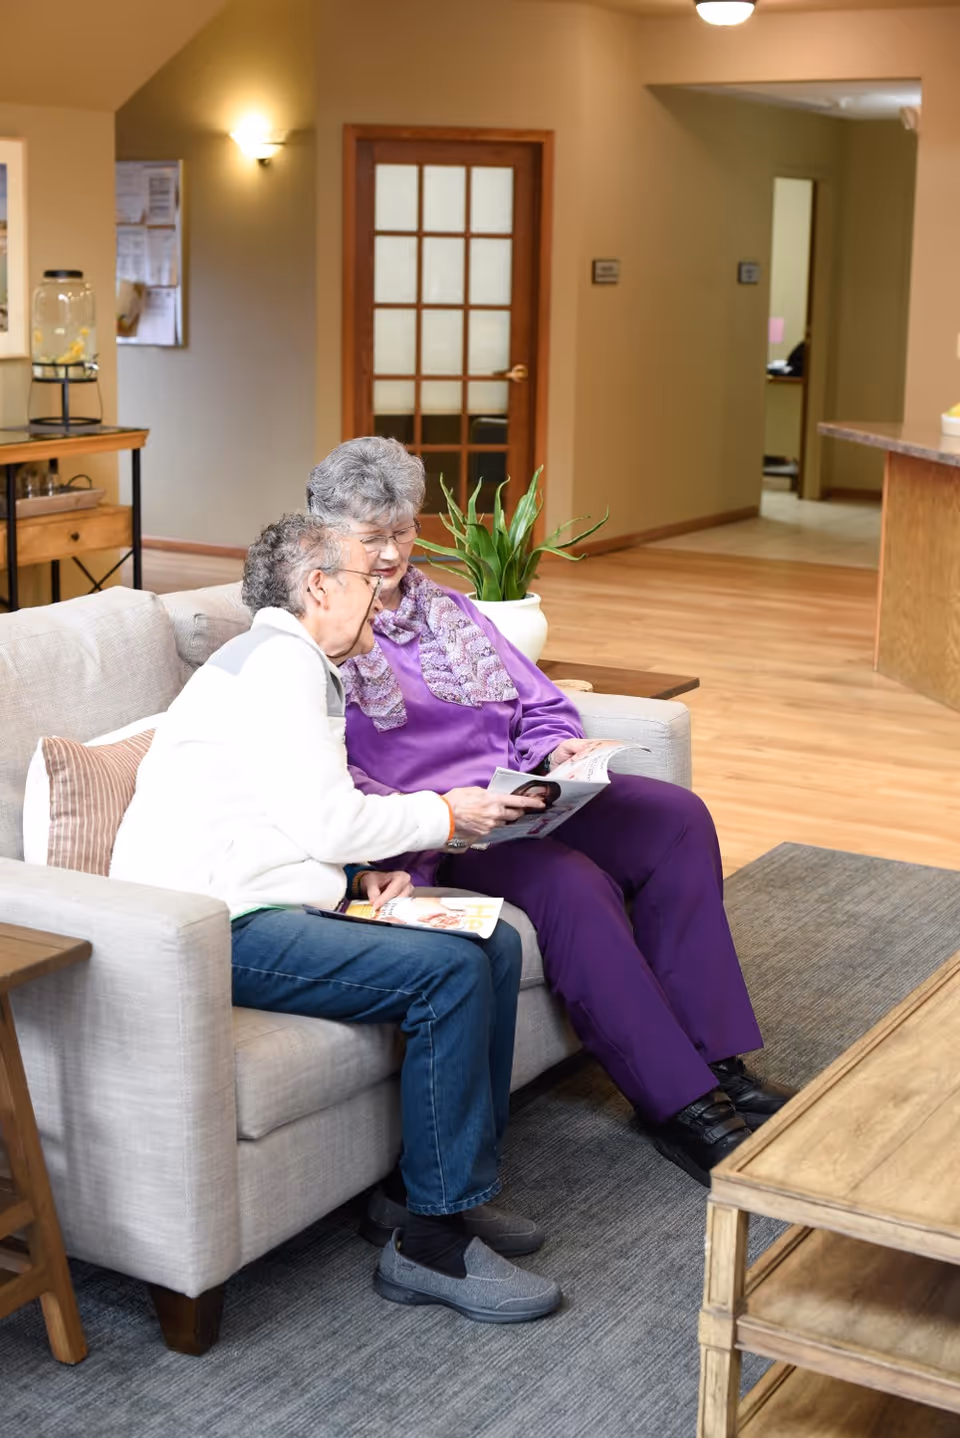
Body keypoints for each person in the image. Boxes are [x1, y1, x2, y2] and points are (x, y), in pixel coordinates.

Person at [110, 512, 562, 1324]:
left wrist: (363, 875)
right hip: (214, 925)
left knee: (487, 940)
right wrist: (443, 815)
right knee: (450, 974)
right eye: (366, 579)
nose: (382, 595)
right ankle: (428, 1247)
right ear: (319, 587)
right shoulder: (283, 667)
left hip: (263, 894)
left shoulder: (289, 661)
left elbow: (304, 817)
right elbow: (328, 823)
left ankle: (415, 1196)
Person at [307, 437, 795, 1188]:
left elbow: (536, 701)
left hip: (525, 792)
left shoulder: (453, 609)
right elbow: (326, 770)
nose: (391, 552)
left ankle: (713, 1056)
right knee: (570, 881)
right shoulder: (318, 635)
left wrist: (560, 750)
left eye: (402, 531)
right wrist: (434, 817)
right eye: (370, 537)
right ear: (326, 535)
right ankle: (681, 1106)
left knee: (676, 818)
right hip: (449, 827)